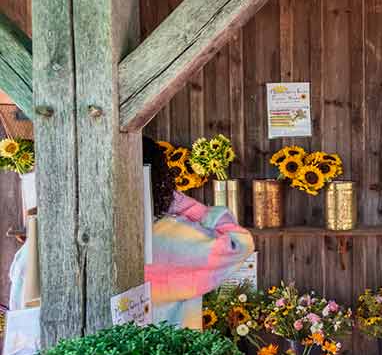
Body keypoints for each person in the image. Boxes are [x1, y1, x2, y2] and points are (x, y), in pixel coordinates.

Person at [7, 137, 254, 330]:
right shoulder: (173, 235)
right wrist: (180, 203)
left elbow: (21, 304)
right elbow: (239, 243)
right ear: (157, 179)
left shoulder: (49, 242)